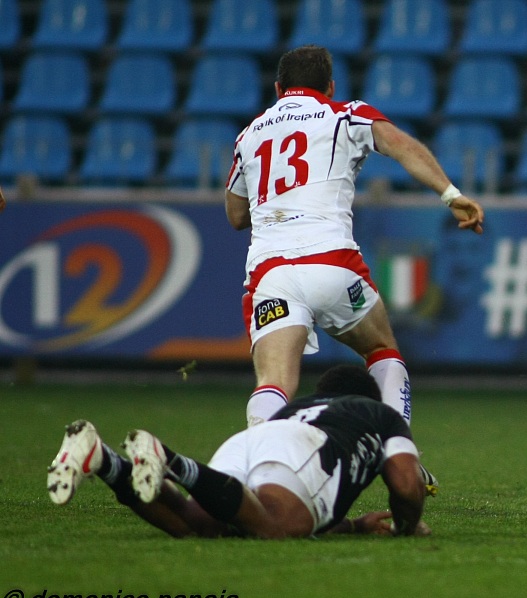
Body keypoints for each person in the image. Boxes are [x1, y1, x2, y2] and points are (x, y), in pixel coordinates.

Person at [224, 45, 484, 432]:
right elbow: (400, 145)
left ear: (279, 89)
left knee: (275, 380)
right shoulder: (345, 113)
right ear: (329, 86)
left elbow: (236, 216)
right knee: (381, 349)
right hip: (332, 264)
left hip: (272, 272)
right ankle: (399, 449)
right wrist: (450, 194)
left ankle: (257, 461)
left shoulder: (249, 135)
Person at [46, 365, 430, 538]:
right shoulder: (377, 413)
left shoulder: (297, 406)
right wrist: (406, 528)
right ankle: (171, 460)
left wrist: (355, 526)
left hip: (255, 439)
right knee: (275, 526)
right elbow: (407, 482)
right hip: (306, 449)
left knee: (197, 523)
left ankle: (105, 461)